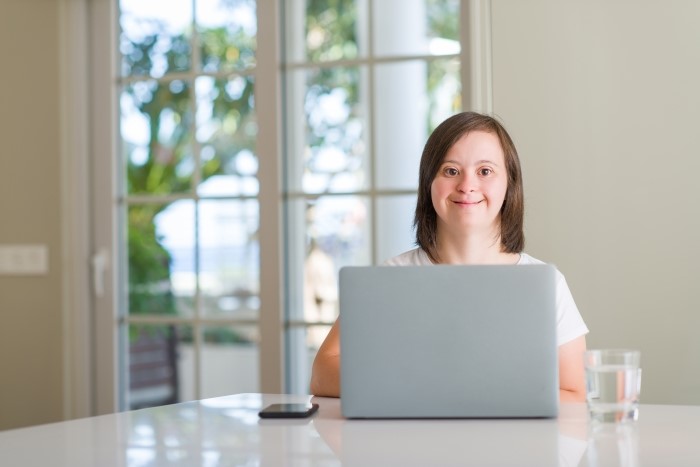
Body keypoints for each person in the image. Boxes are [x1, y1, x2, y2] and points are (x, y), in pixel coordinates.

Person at [310, 111, 588, 402]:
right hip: (411, 445)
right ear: (429, 182)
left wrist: (480, 396)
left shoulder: (545, 284)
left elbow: (574, 390)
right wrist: (420, 386)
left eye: (485, 171)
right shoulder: (390, 278)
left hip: (513, 445)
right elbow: (322, 372)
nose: (467, 186)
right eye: (451, 171)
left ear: (509, 184)